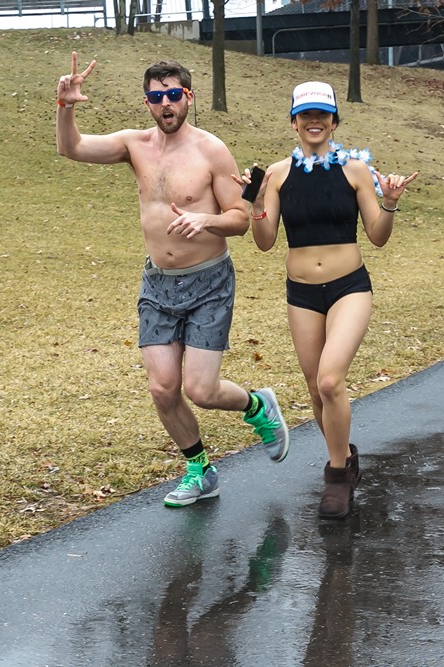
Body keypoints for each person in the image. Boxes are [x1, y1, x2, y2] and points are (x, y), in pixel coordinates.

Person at [54, 52, 289, 508]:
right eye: (156, 96)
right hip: (158, 283)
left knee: (201, 390)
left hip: (208, 282)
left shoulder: (211, 150)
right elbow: (72, 148)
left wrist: (206, 221)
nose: (166, 104)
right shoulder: (134, 144)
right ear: (147, 102)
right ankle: (200, 470)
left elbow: (241, 218)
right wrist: (66, 106)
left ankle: (258, 407)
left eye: (173, 95)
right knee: (163, 388)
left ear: (188, 97)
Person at [240, 81, 418, 519]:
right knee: (315, 390)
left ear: (335, 121)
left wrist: (390, 203)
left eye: (322, 114)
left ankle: (337, 474)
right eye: (305, 115)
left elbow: (377, 237)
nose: (314, 121)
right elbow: (264, 242)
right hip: (300, 294)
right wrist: (257, 203)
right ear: (294, 122)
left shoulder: (355, 170)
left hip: (348, 287)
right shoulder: (279, 174)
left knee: (329, 381)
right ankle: (345, 454)